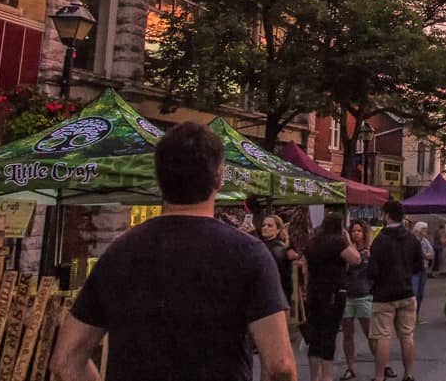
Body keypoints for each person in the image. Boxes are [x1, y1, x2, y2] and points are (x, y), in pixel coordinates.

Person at [50, 122, 295, 381]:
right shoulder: (249, 255)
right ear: (219, 178)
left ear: (159, 179)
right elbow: (281, 365)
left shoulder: (119, 253)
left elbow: (66, 360)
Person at [366, 200, 425, 381]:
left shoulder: (380, 240)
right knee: (407, 335)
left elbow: (373, 271)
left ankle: (379, 376)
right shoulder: (412, 239)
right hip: (406, 292)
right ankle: (409, 374)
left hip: (384, 295)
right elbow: (419, 266)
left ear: (387, 215)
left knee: (383, 337)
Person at [304, 214, 362, 381]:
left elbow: (305, 269)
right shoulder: (338, 242)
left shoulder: (313, 242)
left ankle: (314, 377)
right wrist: (348, 240)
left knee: (315, 335)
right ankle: (327, 376)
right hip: (333, 293)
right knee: (329, 334)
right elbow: (356, 259)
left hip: (314, 292)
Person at [339, 221, 376, 381]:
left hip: (363, 295)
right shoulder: (346, 251)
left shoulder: (368, 251)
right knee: (348, 334)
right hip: (347, 295)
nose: (356, 233)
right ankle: (350, 367)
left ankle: (381, 364)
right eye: (353, 231)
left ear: (364, 233)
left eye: (359, 231)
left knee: (370, 333)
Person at [260, 215, 296, 307]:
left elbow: (271, 260)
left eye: (270, 225)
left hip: (277, 295)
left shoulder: (279, 247)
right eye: (263, 225)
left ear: (278, 230)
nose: (265, 228)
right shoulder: (263, 244)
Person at [410, 222, 433, 323]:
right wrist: (424, 255)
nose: (426, 231)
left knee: (420, 294)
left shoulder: (425, 241)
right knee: (413, 293)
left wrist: (424, 254)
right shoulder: (410, 241)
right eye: (424, 229)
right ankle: (411, 316)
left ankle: (416, 315)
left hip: (423, 269)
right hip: (413, 270)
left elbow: (431, 255)